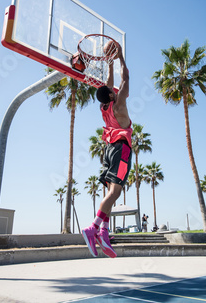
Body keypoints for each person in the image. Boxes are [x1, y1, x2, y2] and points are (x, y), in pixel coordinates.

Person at [81, 41, 132, 258]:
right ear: (112, 95)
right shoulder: (119, 104)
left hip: (108, 150)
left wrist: (109, 64)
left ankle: (104, 231)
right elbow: (125, 79)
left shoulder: (104, 107)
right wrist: (120, 57)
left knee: (111, 192)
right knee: (116, 192)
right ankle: (93, 228)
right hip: (121, 149)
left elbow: (109, 84)